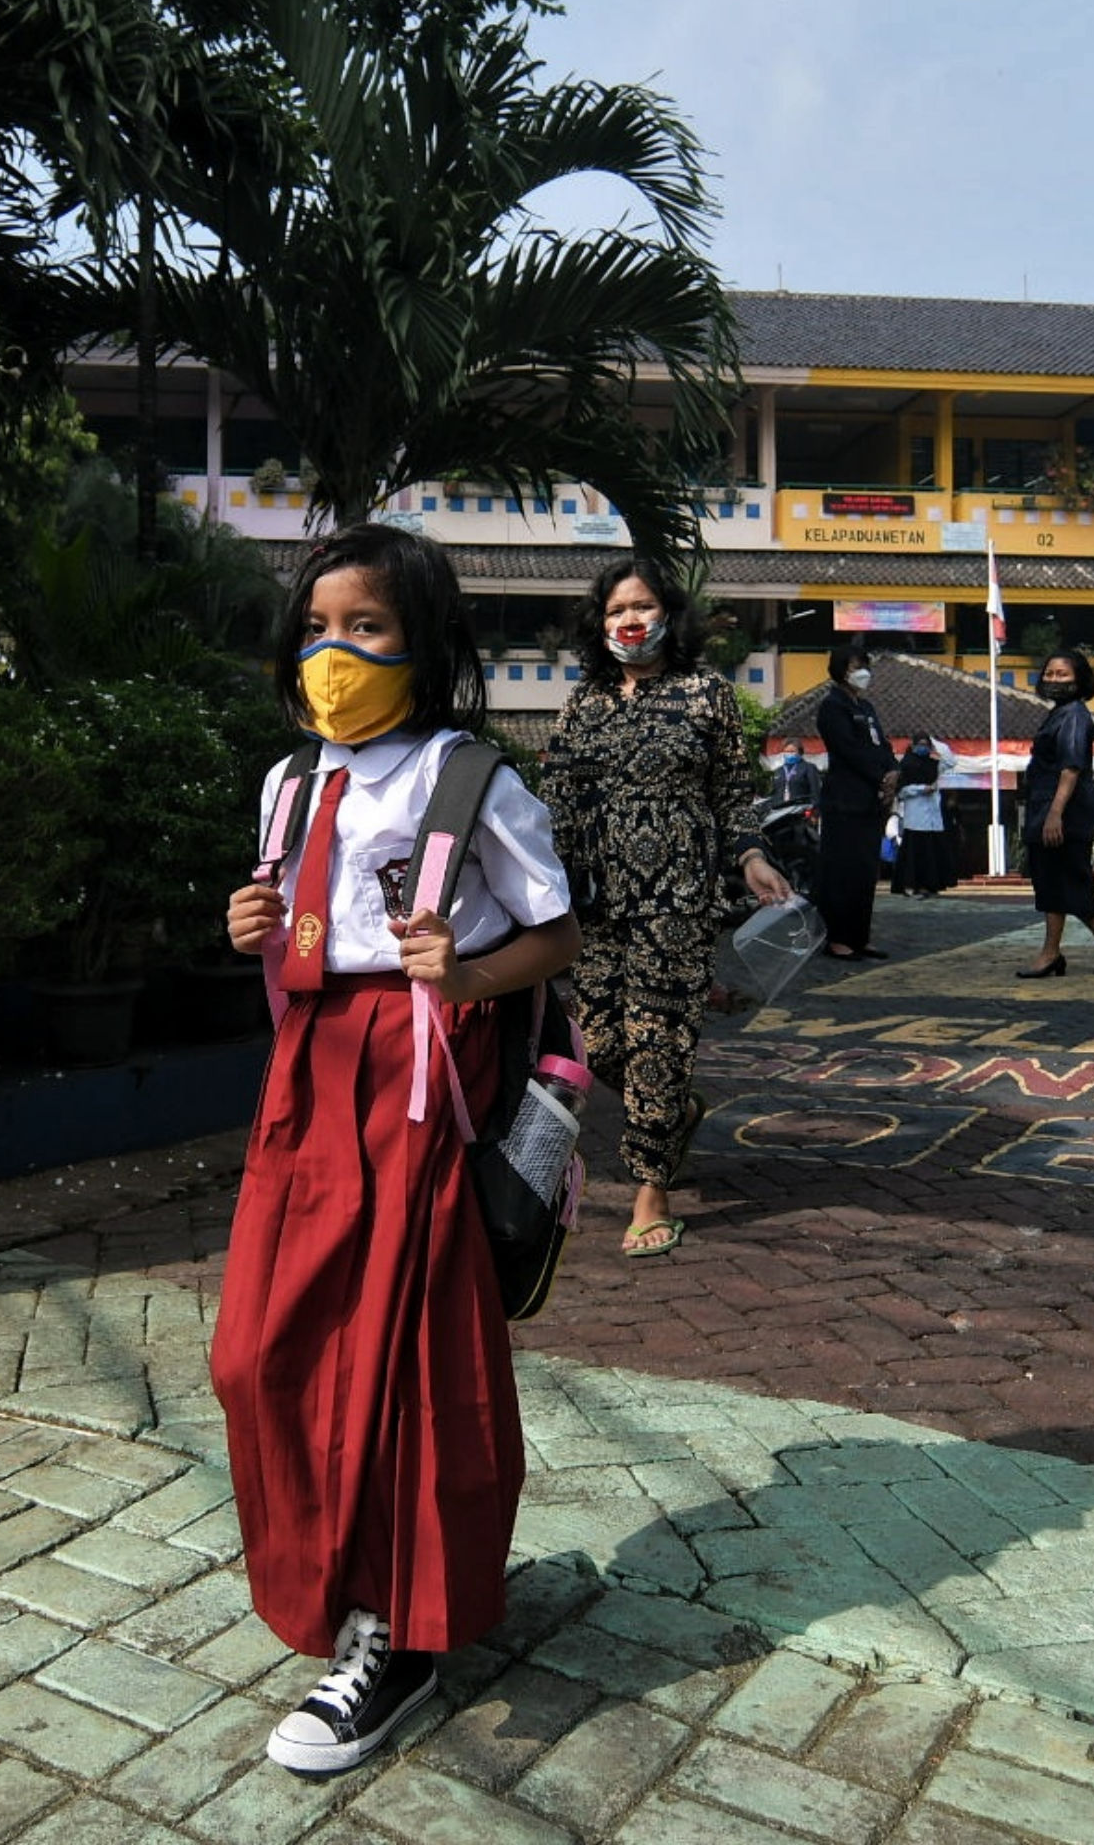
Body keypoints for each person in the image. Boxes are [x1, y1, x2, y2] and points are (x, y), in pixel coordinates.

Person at [217, 525, 581, 1779]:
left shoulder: (472, 778)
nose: (336, 651)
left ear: (424, 647)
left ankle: (399, 1629)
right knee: (260, 1349)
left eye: (366, 627)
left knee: (404, 1352)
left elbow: (555, 930)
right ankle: (333, 1579)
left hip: (423, 1078)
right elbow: (294, 918)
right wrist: (250, 918)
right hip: (307, 1073)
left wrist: (464, 965)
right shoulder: (289, 782)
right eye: (319, 625)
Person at [539, 557, 794, 1262]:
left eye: (644, 606)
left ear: (668, 615)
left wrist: (750, 857)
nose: (630, 620)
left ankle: (652, 1190)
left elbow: (732, 794)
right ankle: (676, 1111)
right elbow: (551, 800)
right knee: (602, 1044)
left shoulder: (705, 694)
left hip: (676, 900)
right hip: (592, 904)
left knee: (657, 1038)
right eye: (617, 609)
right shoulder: (583, 701)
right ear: (600, 623)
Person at [1016, 650, 1094, 977]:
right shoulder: (1058, 713)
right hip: (1048, 807)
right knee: (1055, 880)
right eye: (1049, 673)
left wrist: (1055, 814)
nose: (1053, 680)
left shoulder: (1074, 716)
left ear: (1079, 679)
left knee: (1062, 880)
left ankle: (1054, 952)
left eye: (1062, 674)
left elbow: (1071, 768)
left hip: (1062, 811)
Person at [813, 642, 898, 958]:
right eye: (853, 667)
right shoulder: (832, 707)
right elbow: (848, 750)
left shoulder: (867, 708)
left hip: (869, 803)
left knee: (865, 871)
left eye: (864, 666)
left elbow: (883, 746)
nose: (861, 673)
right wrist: (879, 775)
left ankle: (860, 936)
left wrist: (892, 772)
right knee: (842, 871)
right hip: (844, 801)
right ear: (839, 671)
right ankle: (838, 938)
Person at [889, 741, 951, 896]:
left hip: (932, 819)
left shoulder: (934, 765)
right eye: (920, 744)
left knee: (930, 855)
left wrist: (935, 744)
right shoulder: (906, 765)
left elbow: (951, 761)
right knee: (912, 856)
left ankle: (929, 886)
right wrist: (922, 789)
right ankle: (909, 885)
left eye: (926, 744)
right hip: (914, 820)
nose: (923, 747)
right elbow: (901, 792)